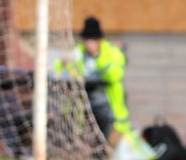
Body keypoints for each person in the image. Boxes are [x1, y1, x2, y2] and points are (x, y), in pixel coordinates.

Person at [54, 16, 130, 148]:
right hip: (80, 99)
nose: (89, 44)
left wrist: (97, 58)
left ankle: (101, 154)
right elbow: (57, 71)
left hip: (106, 101)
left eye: (92, 40)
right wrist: (63, 64)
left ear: (99, 41)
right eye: (86, 40)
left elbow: (114, 75)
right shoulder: (78, 53)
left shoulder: (111, 53)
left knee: (103, 120)